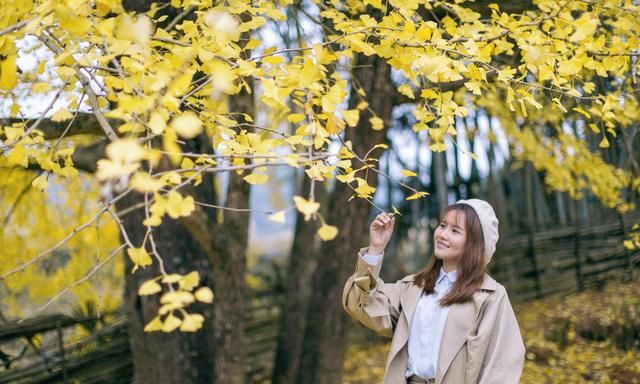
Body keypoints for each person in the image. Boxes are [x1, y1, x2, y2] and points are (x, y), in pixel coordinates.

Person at [342, 199, 525, 384]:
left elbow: (502, 367)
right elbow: (361, 304)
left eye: (455, 231)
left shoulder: (490, 297)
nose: (442, 234)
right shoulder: (413, 287)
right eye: (443, 225)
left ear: (474, 243)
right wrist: (375, 249)